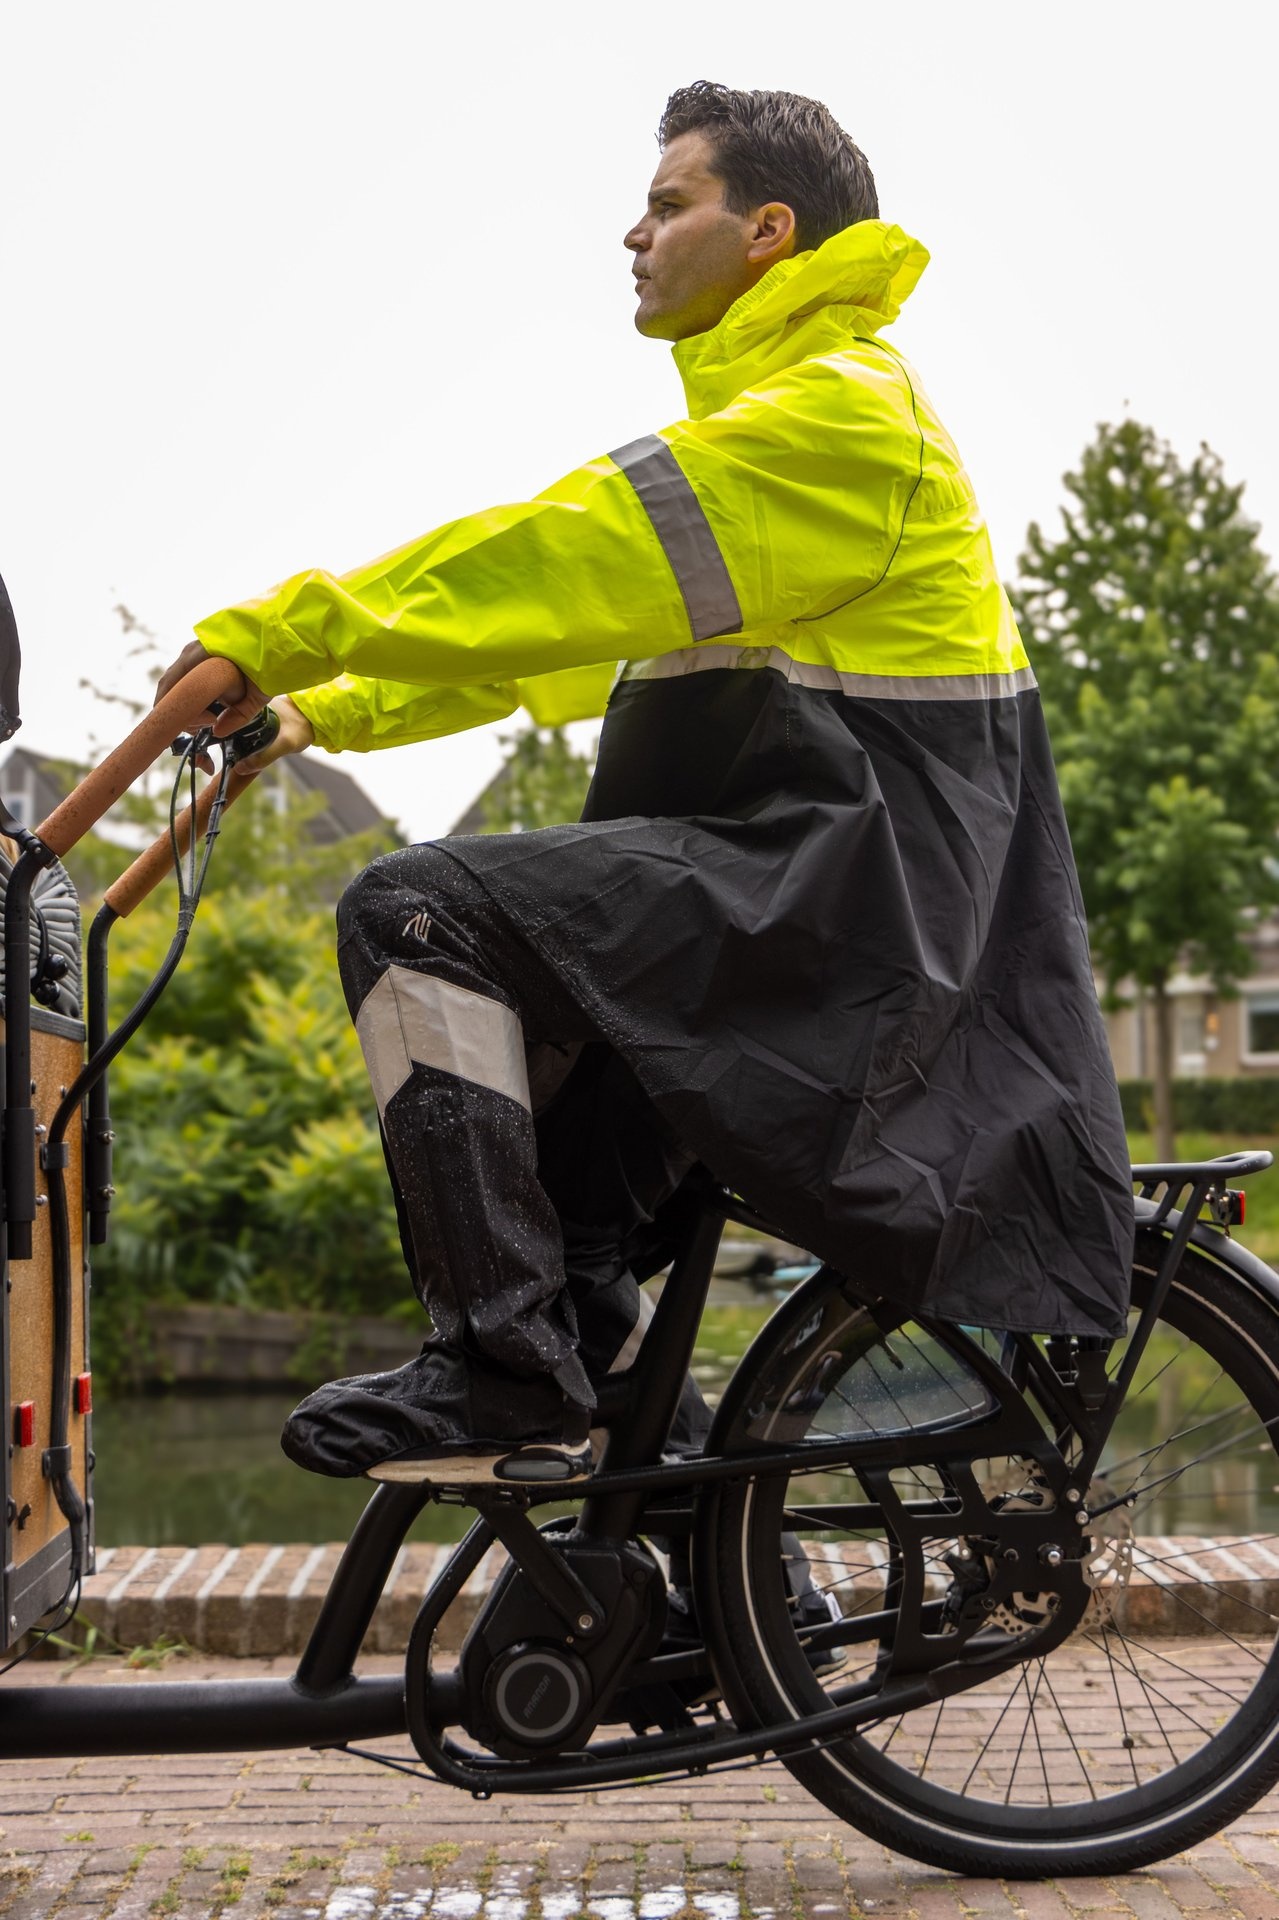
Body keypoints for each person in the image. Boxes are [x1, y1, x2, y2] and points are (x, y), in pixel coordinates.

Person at [157, 81, 1134, 1487]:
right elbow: (562, 637)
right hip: (794, 899)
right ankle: (699, 1603)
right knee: (571, 1215)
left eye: (669, 204)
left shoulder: (837, 419)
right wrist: (317, 711)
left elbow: (567, 556)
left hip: (844, 915)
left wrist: (285, 625)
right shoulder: (784, 427)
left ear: (768, 232)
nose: (633, 231)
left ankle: (504, 1374)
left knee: (417, 912)